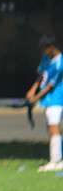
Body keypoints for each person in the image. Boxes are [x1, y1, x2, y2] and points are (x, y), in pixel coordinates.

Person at [25, 35, 63, 172]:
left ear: (51, 48)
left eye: (44, 49)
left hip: (57, 99)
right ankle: (58, 159)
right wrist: (32, 89)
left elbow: (49, 86)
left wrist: (35, 98)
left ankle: (55, 161)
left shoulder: (60, 63)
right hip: (49, 99)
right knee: (53, 129)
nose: (42, 52)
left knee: (54, 129)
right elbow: (41, 75)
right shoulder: (46, 58)